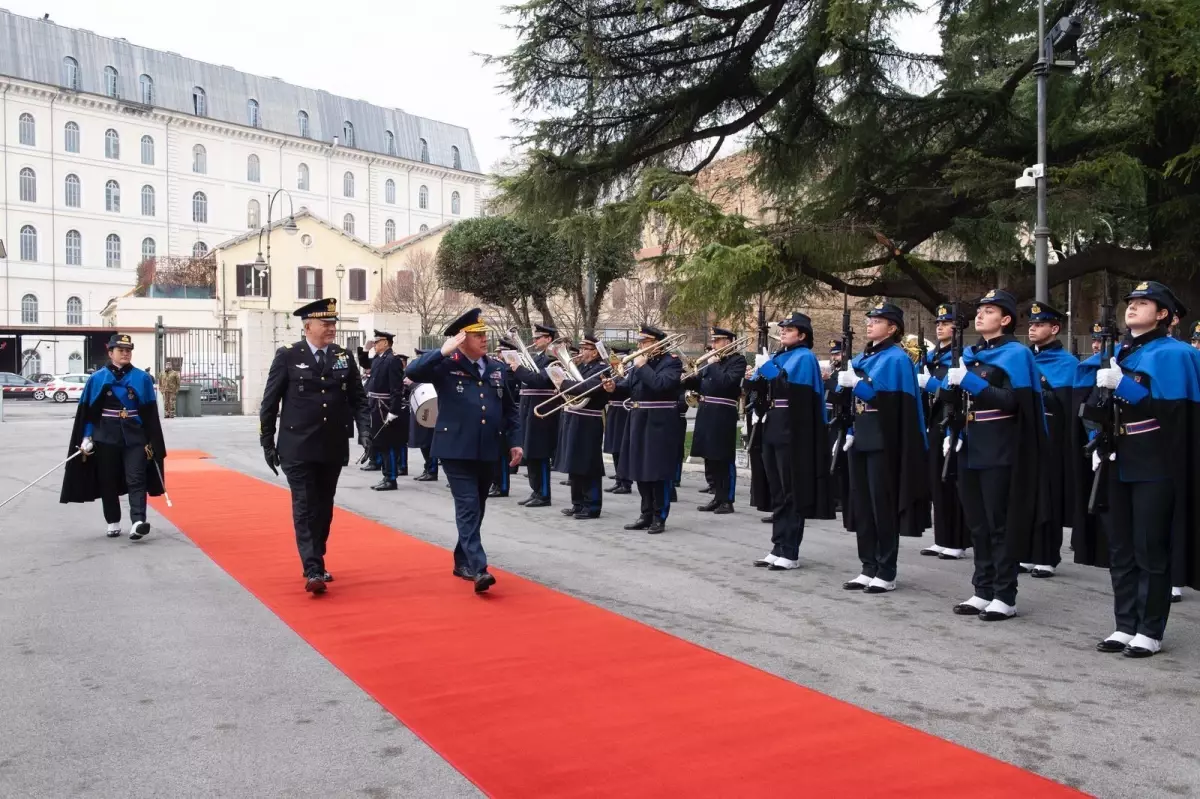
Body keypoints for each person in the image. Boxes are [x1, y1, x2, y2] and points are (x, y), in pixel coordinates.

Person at [1086, 281, 1200, 656]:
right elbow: (1101, 408)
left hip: (1155, 459)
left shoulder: (1174, 354)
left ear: (1163, 314)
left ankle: (1150, 630)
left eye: (1143, 302)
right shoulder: (1122, 352)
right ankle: (1125, 624)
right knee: (1120, 546)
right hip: (1118, 455)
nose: (1132, 307)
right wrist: (1098, 436)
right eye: (1131, 302)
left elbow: (1173, 415)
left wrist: (1125, 386)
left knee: (1150, 546)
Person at [943, 289, 1048, 621]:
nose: (980, 315)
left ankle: (1005, 594)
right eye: (979, 310)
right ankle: (982, 589)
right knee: (977, 524)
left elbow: (1014, 403)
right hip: (970, 444)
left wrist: (972, 384)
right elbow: (956, 404)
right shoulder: (971, 354)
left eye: (988, 311)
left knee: (999, 523)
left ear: (1004, 319)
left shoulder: (1015, 354)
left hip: (1000, 447)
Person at [405, 309, 523, 593]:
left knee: (478, 506)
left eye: (485, 334)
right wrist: (440, 352)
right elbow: (412, 371)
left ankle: (461, 560)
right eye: (478, 335)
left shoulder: (496, 367)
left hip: (488, 447)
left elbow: (509, 409)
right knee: (468, 505)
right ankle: (479, 567)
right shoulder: (447, 365)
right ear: (461, 339)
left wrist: (515, 441)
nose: (484, 340)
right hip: (456, 448)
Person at [259, 299, 370, 595]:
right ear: (308, 326)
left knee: (324, 506)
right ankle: (312, 568)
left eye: (334, 323)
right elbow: (269, 404)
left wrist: (366, 433)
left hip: (332, 444)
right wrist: (267, 442)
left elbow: (358, 399)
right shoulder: (287, 356)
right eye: (326, 324)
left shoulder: (344, 356)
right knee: (305, 505)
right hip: (297, 446)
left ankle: (316, 556)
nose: (332, 328)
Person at [836, 302, 929, 593]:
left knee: (881, 506)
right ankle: (868, 566)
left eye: (877, 320)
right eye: (870, 319)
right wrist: (849, 424)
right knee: (862, 505)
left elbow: (891, 404)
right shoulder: (864, 356)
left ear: (892, 328)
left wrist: (858, 385)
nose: (870, 323)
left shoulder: (896, 359)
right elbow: (853, 403)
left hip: (883, 440)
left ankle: (886, 570)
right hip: (861, 436)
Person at [61, 333, 167, 540]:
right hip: (105, 435)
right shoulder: (97, 378)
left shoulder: (142, 378)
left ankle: (138, 521)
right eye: (121, 350)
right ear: (110, 353)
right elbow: (89, 412)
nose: (126, 353)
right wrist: (87, 437)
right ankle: (113, 521)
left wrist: (152, 439)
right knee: (107, 480)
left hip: (135, 436)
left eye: (128, 350)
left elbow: (149, 413)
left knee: (137, 478)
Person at [749, 313, 833, 569]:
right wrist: (756, 376)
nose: (783, 331)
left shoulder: (805, 357)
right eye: (783, 328)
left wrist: (769, 370)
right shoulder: (780, 356)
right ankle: (778, 545)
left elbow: (793, 392)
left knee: (791, 490)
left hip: (792, 428)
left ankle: (790, 550)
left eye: (789, 328)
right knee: (777, 489)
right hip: (773, 423)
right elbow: (764, 389)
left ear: (803, 335)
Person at [603, 326, 684, 534]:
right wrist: (614, 388)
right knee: (640, 469)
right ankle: (645, 513)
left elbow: (660, 384)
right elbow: (630, 387)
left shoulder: (672, 362)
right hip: (637, 419)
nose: (640, 346)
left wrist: (642, 367)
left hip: (660, 421)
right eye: (640, 342)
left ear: (657, 343)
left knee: (658, 471)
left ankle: (659, 516)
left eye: (644, 342)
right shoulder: (640, 364)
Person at [1020, 301, 1080, 578]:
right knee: (1026, 492)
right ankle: (1027, 550)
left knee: (1050, 494)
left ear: (1054, 328)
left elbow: (1066, 406)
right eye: (1031, 325)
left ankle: (1047, 555)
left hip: (1053, 436)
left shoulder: (1066, 363)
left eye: (1039, 324)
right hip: (1025, 434)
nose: (1032, 329)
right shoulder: (1024, 358)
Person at [916, 304, 971, 559]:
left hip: (954, 423)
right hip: (934, 421)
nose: (939, 326)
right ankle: (942, 538)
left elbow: (959, 392)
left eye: (945, 323)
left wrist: (931, 385)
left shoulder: (962, 357)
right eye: (937, 323)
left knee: (952, 480)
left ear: (957, 327)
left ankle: (957, 540)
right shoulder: (933, 356)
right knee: (937, 481)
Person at [683, 327, 746, 514]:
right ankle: (717, 496)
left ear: (728, 342)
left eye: (717, 341)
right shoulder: (712, 362)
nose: (713, 345)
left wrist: (715, 365)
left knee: (723, 458)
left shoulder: (738, 360)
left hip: (723, 413)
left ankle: (727, 500)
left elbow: (727, 383)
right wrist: (686, 377)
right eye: (713, 341)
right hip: (706, 411)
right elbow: (700, 383)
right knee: (710, 457)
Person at [554, 336, 609, 519]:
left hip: (590, 419)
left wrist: (564, 385)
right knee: (574, 462)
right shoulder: (583, 367)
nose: (581, 352)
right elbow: (575, 386)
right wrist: (562, 386)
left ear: (595, 351)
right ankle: (577, 503)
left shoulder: (602, 368)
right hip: (574, 417)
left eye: (586, 349)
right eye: (582, 349)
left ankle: (592, 505)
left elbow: (587, 388)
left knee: (589, 463)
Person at [510, 325, 560, 507]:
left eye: (538, 338)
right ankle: (535, 490)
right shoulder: (537, 358)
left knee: (540, 453)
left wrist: (519, 369)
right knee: (530, 452)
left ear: (548, 339)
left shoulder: (553, 359)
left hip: (542, 411)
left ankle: (544, 494)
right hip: (528, 408)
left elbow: (540, 380)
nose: (534, 341)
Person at [363, 330, 409, 491]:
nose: (375, 345)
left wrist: (394, 411)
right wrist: (364, 350)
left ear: (385, 342)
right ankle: (386, 475)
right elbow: (365, 365)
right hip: (375, 405)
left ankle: (391, 478)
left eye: (377, 342)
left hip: (385, 406)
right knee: (379, 443)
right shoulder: (378, 359)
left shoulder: (393, 360)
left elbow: (397, 388)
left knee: (387, 444)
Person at [604, 344, 634, 495]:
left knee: (623, 449)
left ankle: (626, 482)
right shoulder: (612, 372)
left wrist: (618, 379)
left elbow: (626, 388)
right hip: (614, 410)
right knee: (615, 448)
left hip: (624, 410)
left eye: (619, 358)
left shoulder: (630, 372)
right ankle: (619, 479)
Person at [406, 349, 439, 483]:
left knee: (428, 442)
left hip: (430, 410)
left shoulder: (433, 371)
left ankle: (432, 470)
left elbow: (431, 388)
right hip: (420, 408)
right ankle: (428, 468)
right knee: (422, 442)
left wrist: (412, 384)